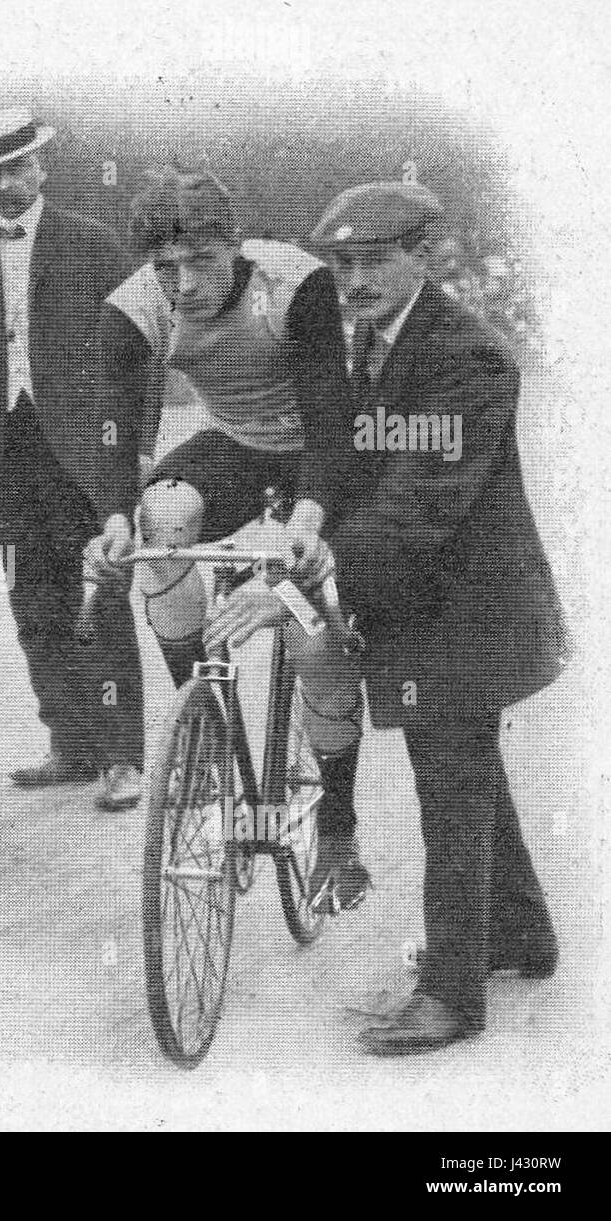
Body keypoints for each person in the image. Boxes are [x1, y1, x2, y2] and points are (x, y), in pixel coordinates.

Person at [296, 181, 567, 1052]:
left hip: (470, 609)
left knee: (449, 782)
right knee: (462, 764)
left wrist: (327, 565)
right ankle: (518, 932)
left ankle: (451, 995)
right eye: (344, 263)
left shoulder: (465, 355)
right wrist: (304, 523)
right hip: (427, 601)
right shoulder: (378, 341)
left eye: (375, 260)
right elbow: (353, 463)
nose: (356, 279)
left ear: (422, 257)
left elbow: (419, 505)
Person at [83, 167, 371, 909]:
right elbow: (114, 430)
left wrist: (305, 521)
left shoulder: (291, 282)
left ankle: (337, 833)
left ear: (236, 248)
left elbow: (330, 414)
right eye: (165, 268)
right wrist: (114, 518)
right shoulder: (133, 305)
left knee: (312, 637)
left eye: (201, 263)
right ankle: (201, 720)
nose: (181, 284)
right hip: (234, 445)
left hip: (317, 447)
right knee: (162, 517)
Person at [0, 106, 144, 811]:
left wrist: (136, 450)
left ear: (40, 166)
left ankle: (123, 756)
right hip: (8, 456)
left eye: (14, 168)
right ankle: (71, 743)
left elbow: (141, 355)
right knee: (34, 603)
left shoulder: (95, 245)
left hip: (88, 453)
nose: (4, 186)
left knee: (101, 602)